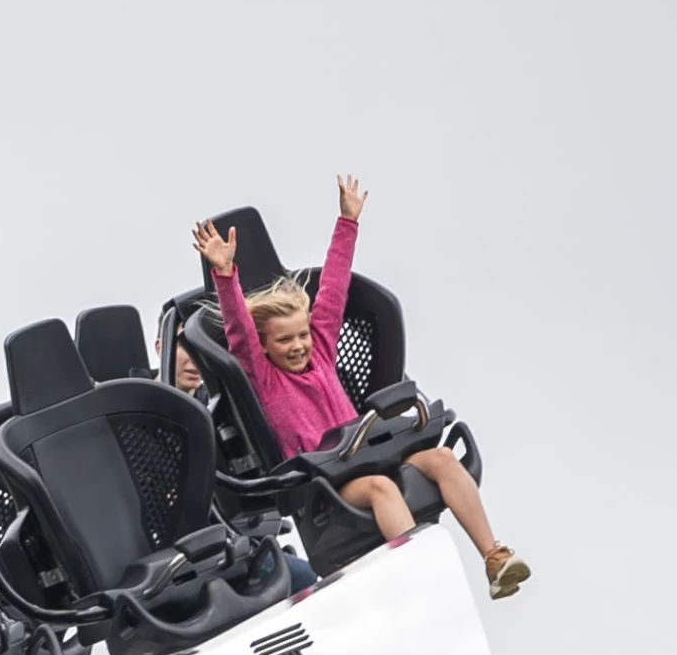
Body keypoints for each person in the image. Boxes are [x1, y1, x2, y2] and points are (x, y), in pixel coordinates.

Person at [192, 177, 527, 596]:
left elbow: (334, 289)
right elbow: (240, 330)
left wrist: (347, 222)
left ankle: (494, 558)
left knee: (440, 457)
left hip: (375, 453)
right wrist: (225, 273)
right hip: (330, 487)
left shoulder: (322, 352)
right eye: (285, 340)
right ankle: (428, 587)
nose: (298, 346)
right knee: (382, 488)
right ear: (265, 346)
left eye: (302, 335)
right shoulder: (264, 378)